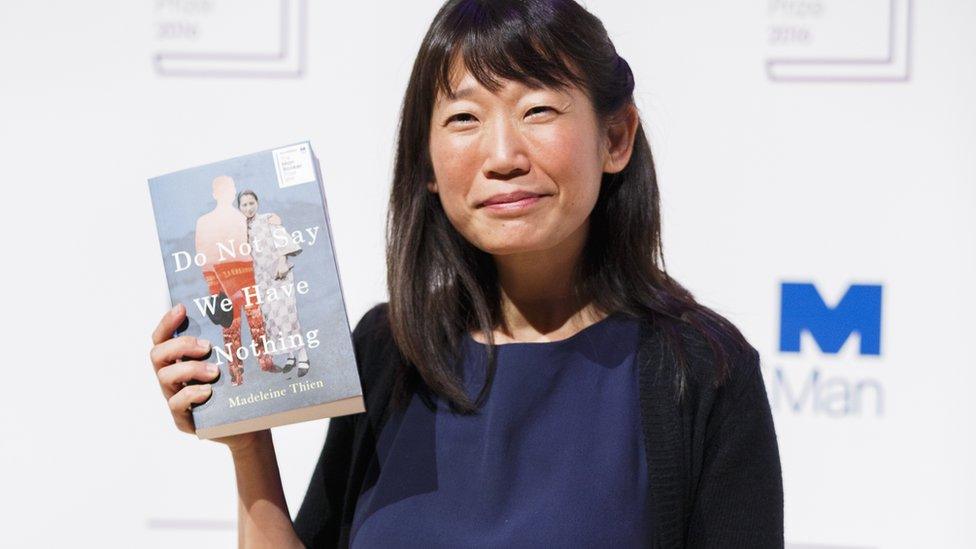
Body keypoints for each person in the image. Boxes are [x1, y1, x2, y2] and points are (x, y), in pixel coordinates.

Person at [148, 0, 784, 547]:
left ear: (615, 137)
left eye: (537, 110)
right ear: (426, 162)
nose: (502, 156)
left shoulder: (701, 370)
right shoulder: (388, 351)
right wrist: (247, 439)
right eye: (463, 118)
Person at [193, 175, 276, 385]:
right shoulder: (204, 222)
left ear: (233, 192)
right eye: (224, 190)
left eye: (230, 189)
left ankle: (264, 362)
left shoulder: (242, 217)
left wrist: (273, 219)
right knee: (231, 328)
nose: (228, 193)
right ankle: (236, 372)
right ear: (215, 194)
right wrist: (213, 285)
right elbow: (203, 254)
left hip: (247, 274)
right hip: (221, 278)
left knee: (257, 323)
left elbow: (258, 230)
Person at [237, 189, 312, 377]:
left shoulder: (268, 219)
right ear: (239, 207)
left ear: (257, 203)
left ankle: (302, 355)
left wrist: (281, 262)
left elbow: (283, 242)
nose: (248, 208)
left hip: (279, 275)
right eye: (244, 205)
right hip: (260, 280)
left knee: (287, 316)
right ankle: (290, 357)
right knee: (272, 320)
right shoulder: (239, 228)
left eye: (251, 203)